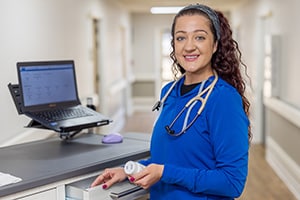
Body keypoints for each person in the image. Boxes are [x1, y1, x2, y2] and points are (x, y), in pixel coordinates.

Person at [91, 3, 251, 200]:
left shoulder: (223, 99)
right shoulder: (169, 92)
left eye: (199, 37)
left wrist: (166, 173)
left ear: (215, 44)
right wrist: (129, 171)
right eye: (181, 37)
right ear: (173, 44)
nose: (189, 46)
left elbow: (232, 182)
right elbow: (167, 160)